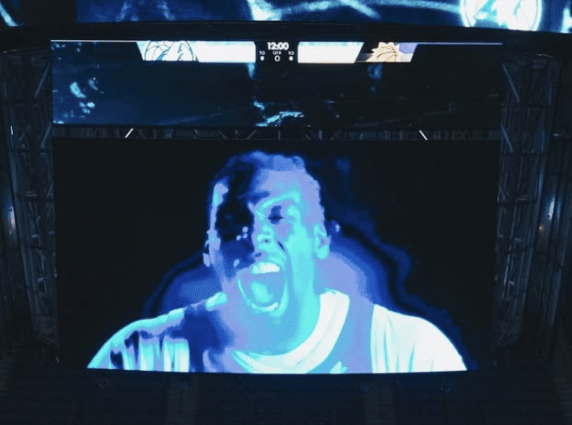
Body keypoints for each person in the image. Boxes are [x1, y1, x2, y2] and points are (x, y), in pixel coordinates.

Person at [88, 151, 466, 374]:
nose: (255, 236)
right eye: (233, 220)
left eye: (278, 215)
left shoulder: (411, 349)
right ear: (209, 250)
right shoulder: (141, 352)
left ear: (320, 239)